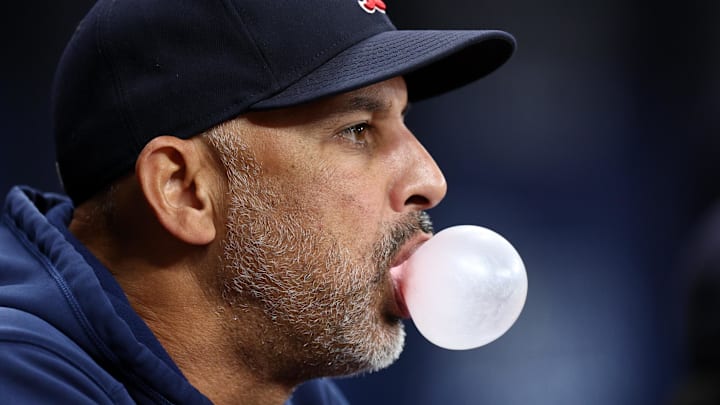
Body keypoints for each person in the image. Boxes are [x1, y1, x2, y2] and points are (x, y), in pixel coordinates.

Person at [0, 0, 514, 404]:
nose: (431, 178)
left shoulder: (281, 381)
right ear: (183, 190)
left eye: (404, 121)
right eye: (357, 130)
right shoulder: (21, 378)